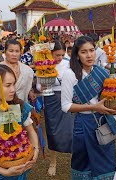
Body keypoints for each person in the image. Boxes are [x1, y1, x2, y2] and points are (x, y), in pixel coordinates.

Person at [61, 36, 116, 179]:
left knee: (106, 160)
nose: (89, 55)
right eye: (84, 52)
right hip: (83, 124)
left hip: (103, 123)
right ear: (76, 54)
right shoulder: (70, 75)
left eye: (92, 50)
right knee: (83, 161)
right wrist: (95, 107)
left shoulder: (100, 71)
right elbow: (66, 106)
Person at [37, 41, 74, 177]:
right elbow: (38, 86)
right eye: (57, 55)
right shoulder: (43, 63)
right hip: (50, 98)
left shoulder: (69, 63)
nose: (59, 58)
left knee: (69, 129)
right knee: (52, 130)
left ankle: (74, 159)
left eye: (62, 55)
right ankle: (53, 162)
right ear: (50, 53)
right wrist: (42, 87)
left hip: (66, 97)